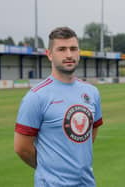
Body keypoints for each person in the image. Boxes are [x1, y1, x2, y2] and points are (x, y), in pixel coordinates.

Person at [14, 26, 103, 187]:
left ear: (79, 53)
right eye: (61, 49)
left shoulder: (92, 92)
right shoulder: (36, 97)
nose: (69, 54)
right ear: (49, 54)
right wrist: (48, 168)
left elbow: (90, 135)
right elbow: (22, 148)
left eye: (73, 49)